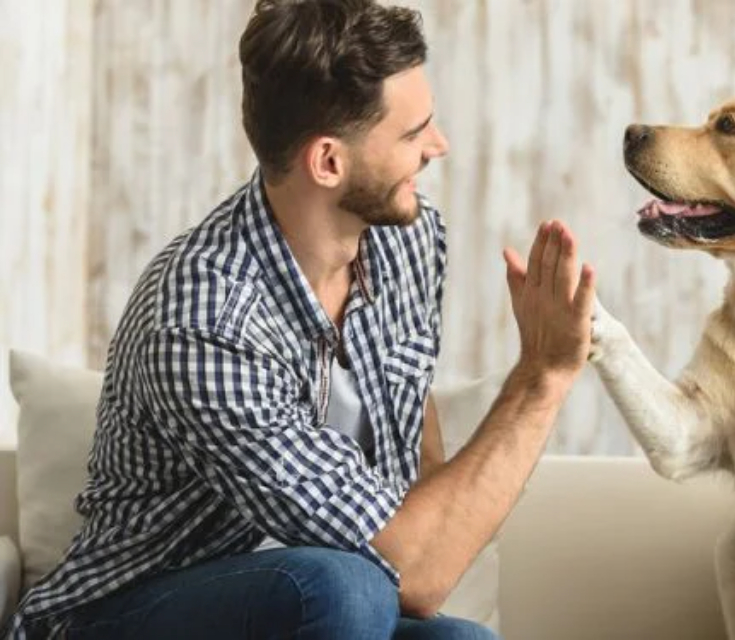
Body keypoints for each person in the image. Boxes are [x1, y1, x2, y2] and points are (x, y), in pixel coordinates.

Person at [4, 0, 596, 638]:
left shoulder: (408, 241)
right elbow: (413, 572)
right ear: (328, 162)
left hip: (330, 610)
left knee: (461, 638)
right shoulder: (203, 317)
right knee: (343, 587)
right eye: (412, 132)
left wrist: (426, 546)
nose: (438, 145)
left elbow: (420, 507)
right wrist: (543, 376)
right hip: (126, 614)